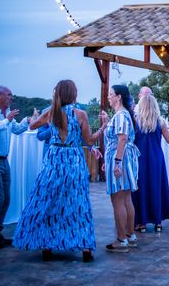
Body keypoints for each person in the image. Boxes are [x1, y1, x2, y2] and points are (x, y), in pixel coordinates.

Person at [13, 80, 105, 262]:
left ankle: (47, 245)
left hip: (54, 160)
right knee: (77, 203)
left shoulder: (51, 113)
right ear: (73, 94)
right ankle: (85, 247)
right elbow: (89, 140)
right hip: (74, 161)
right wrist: (103, 127)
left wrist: (36, 116)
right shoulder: (80, 114)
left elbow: (32, 126)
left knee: (49, 201)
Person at [0, 85, 35, 248]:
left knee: (6, 199)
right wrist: (7, 120)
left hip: (4, 161)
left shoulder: (7, 113)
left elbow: (17, 130)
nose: (11, 98)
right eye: (9, 95)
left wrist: (27, 120)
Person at [104, 84, 140, 252]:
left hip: (121, 159)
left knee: (118, 199)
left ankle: (121, 239)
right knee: (126, 198)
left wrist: (116, 162)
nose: (108, 97)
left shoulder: (121, 115)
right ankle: (130, 236)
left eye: (111, 94)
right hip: (125, 158)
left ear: (118, 97)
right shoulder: (124, 115)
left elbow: (122, 139)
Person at [132, 94, 169, 234]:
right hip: (156, 159)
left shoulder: (135, 121)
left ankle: (142, 223)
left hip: (140, 159)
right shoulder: (160, 121)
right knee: (157, 188)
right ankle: (158, 222)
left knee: (141, 188)